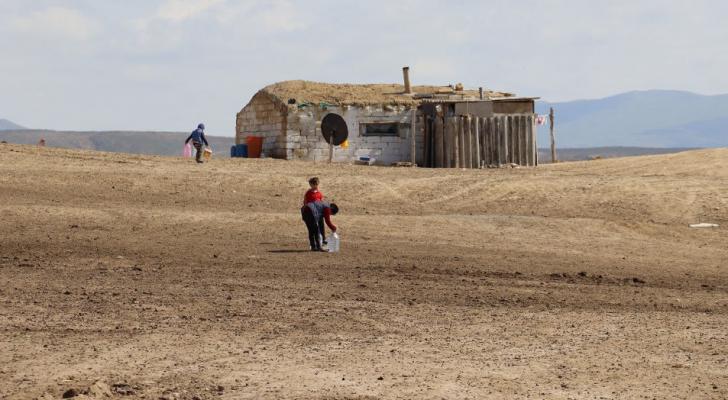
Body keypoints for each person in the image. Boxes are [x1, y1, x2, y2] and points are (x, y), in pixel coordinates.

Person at [303, 177, 326, 243]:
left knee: (319, 228)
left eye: (313, 184)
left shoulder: (319, 193)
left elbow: (321, 203)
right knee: (312, 230)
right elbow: (305, 202)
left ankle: (320, 243)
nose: (312, 186)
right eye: (311, 184)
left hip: (317, 214)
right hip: (310, 213)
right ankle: (313, 245)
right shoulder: (308, 193)